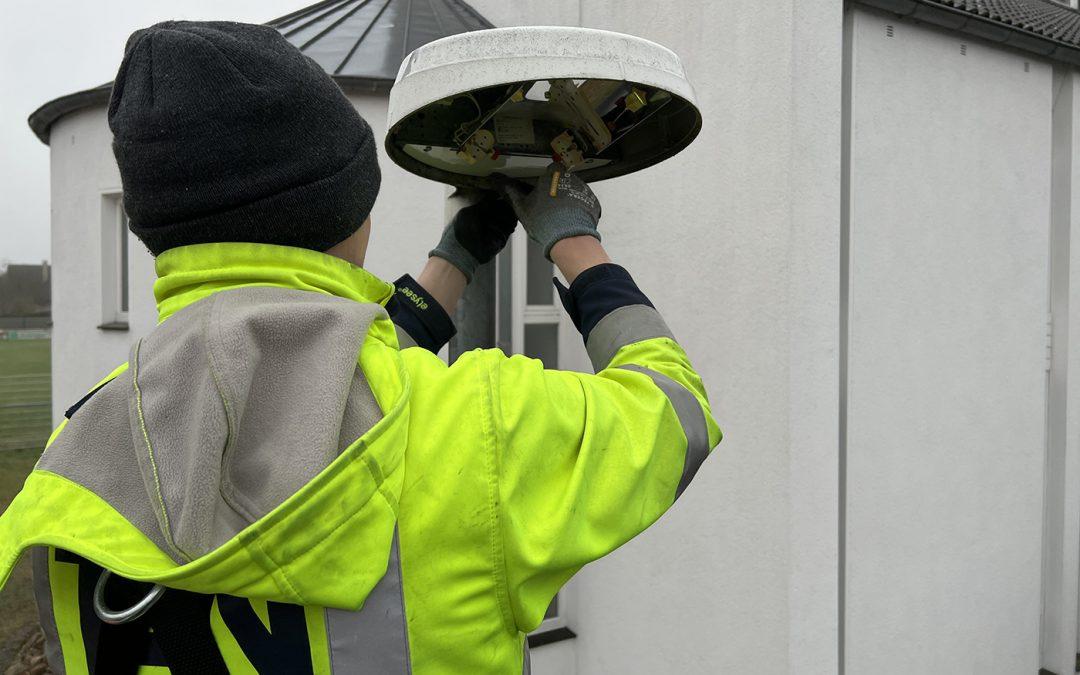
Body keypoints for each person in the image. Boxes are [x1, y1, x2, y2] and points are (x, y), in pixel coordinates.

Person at [0, 20, 721, 675]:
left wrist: (453, 262)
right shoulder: (477, 427)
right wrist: (575, 241)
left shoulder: (80, 451)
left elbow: (313, 397)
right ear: (344, 211)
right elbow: (674, 411)